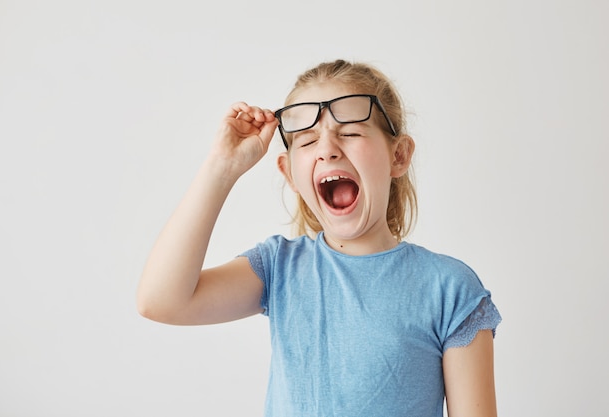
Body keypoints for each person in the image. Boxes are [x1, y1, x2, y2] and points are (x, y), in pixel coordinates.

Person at [137, 59, 502, 417]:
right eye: (308, 140)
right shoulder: (279, 269)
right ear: (290, 172)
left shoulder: (451, 289)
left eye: (350, 132)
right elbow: (160, 301)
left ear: (399, 155)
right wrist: (222, 166)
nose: (327, 149)